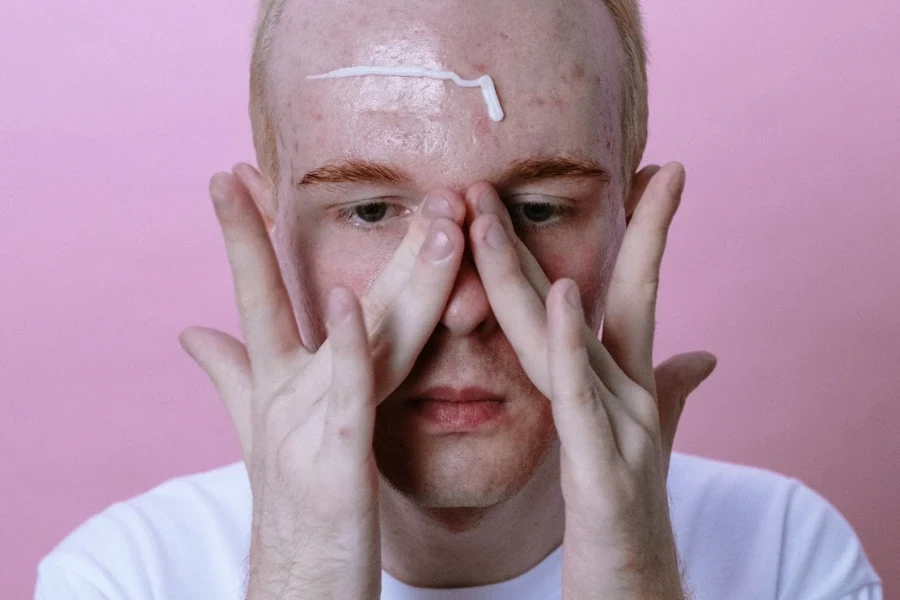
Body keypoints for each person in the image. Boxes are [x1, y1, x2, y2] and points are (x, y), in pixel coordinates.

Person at [34, 0, 883, 598]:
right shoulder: (121, 578)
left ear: (630, 225)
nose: (465, 302)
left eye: (536, 210)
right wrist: (300, 581)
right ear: (268, 232)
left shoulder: (786, 559)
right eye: (370, 211)